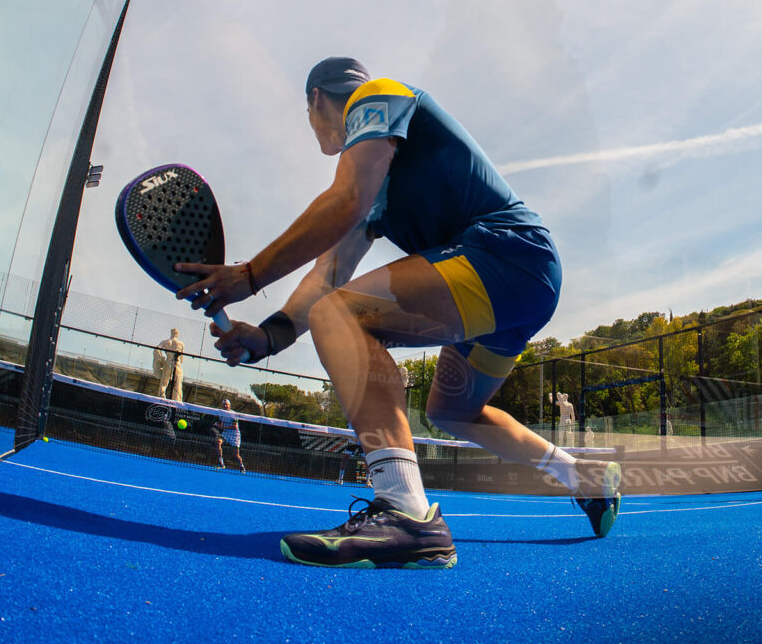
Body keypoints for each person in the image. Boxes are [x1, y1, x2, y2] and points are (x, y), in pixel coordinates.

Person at [176, 57, 621, 568]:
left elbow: (345, 200)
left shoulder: (378, 96)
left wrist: (250, 274)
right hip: (515, 286)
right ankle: (582, 477)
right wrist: (269, 336)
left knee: (339, 316)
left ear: (316, 100)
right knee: (451, 411)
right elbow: (326, 274)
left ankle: (407, 512)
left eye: (308, 112)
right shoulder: (373, 187)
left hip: (507, 257)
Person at [212, 398, 245, 473]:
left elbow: (235, 427)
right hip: (226, 433)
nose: (225, 406)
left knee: (236, 454)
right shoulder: (221, 413)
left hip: (235, 435)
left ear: (229, 405)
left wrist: (222, 427)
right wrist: (217, 424)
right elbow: (221, 424)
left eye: (226, 404)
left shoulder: (233, 414)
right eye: (224, 404)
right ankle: (221, 463)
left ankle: (242, 466)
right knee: (218, 442)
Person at [157, 328, 184, 401]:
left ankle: (161, 397)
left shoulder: (165, 342)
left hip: (168, 362)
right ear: (177, 334)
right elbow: (181, 359)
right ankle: (176, 400)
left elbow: (157, 349)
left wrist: (161, 358)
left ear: (171, 333)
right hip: (177, 364)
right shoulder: (181, 344)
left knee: (164, 383)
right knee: (177, 384)